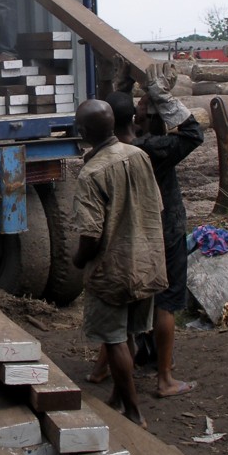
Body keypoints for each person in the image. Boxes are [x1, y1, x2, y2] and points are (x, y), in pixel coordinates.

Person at [108, 61, 204, 399]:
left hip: (130, 234)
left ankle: (105, 368)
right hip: (165, 231)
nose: (140, 105)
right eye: (139, 105)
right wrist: (163, 97)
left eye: (144, 104)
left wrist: (121, 87)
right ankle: (165, 379)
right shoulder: (156, 149)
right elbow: (194, 133)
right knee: (166, 302)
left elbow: (113, 117)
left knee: (127, 301)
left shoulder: (114, 147)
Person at [71, 98, 167, 427]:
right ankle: (116, 398)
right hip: (146, 263)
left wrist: (78, 260)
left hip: (111, 271)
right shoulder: (138, 155)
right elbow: (156, 207)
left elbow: (91, 235)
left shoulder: (91, 173)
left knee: (114, 340)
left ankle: (134, 411)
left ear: (83, 132)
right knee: (128, 334)